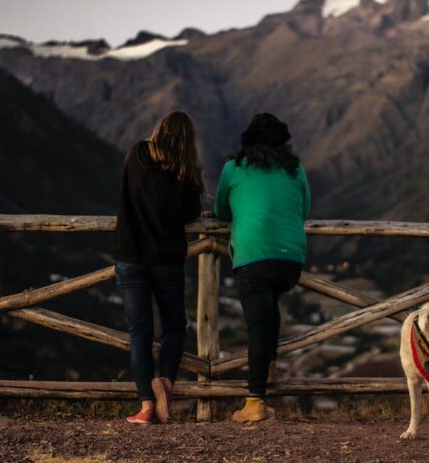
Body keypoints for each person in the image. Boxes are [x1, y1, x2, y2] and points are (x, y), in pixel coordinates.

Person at [214, 113, 311, 422]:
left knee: (257, 326)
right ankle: (269, 366)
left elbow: (220, 211)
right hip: (290, 260)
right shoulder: (296, 171)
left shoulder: (233, 169)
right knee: (269, 312)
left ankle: (255, 401)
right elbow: (303, 209)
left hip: (253, 257)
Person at [113, 111, 205, 424]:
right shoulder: (186, 172)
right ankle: (165, 382)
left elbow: (125, 190)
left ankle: (146, 407)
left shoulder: (137, 154)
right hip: (167, 260)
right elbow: (191, 214)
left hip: (131, 257)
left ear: (159, 130)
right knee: (174, 325)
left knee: (139, 331)